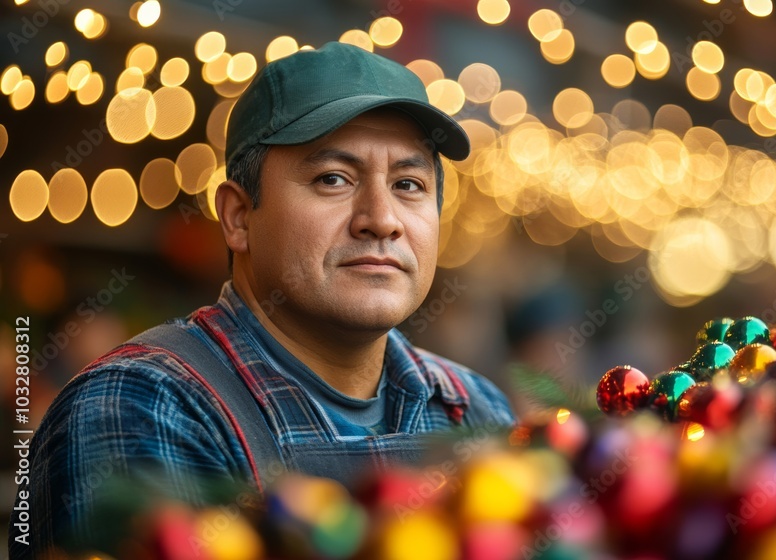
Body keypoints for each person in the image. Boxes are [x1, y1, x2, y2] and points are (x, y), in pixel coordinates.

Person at [10, 41, 516, 558]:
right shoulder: (142, 404)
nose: (381, 219)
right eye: (333, 179)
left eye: (408, 184)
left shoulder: (474, 408)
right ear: (238, 216)